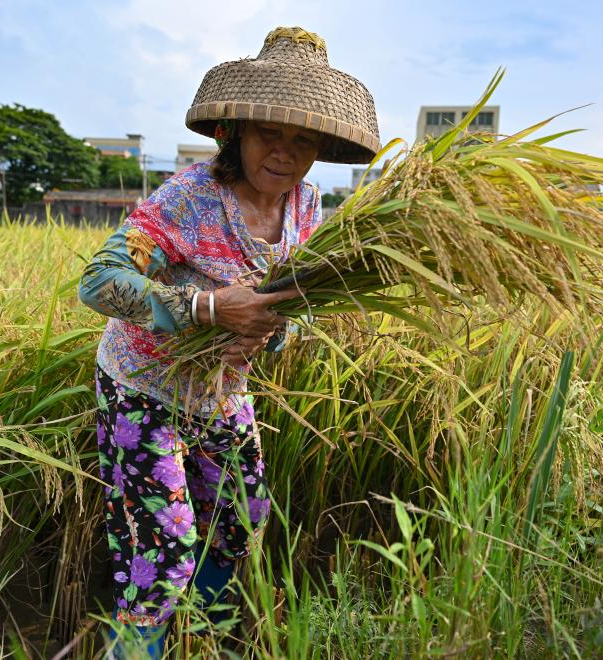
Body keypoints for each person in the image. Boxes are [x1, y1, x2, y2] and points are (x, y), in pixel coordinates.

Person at [78, 26, 379, 657]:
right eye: (272, 131)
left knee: (242, 520)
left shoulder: (305, 207)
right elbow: (100, 281)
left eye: (304, 138)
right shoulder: (191, 198)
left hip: (220, 392)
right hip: (144, 387)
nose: (286, 152)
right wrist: (211, 309)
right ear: (234, 130)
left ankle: (205, 639)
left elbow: (290, 305)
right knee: (164, 551)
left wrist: (270, 334)